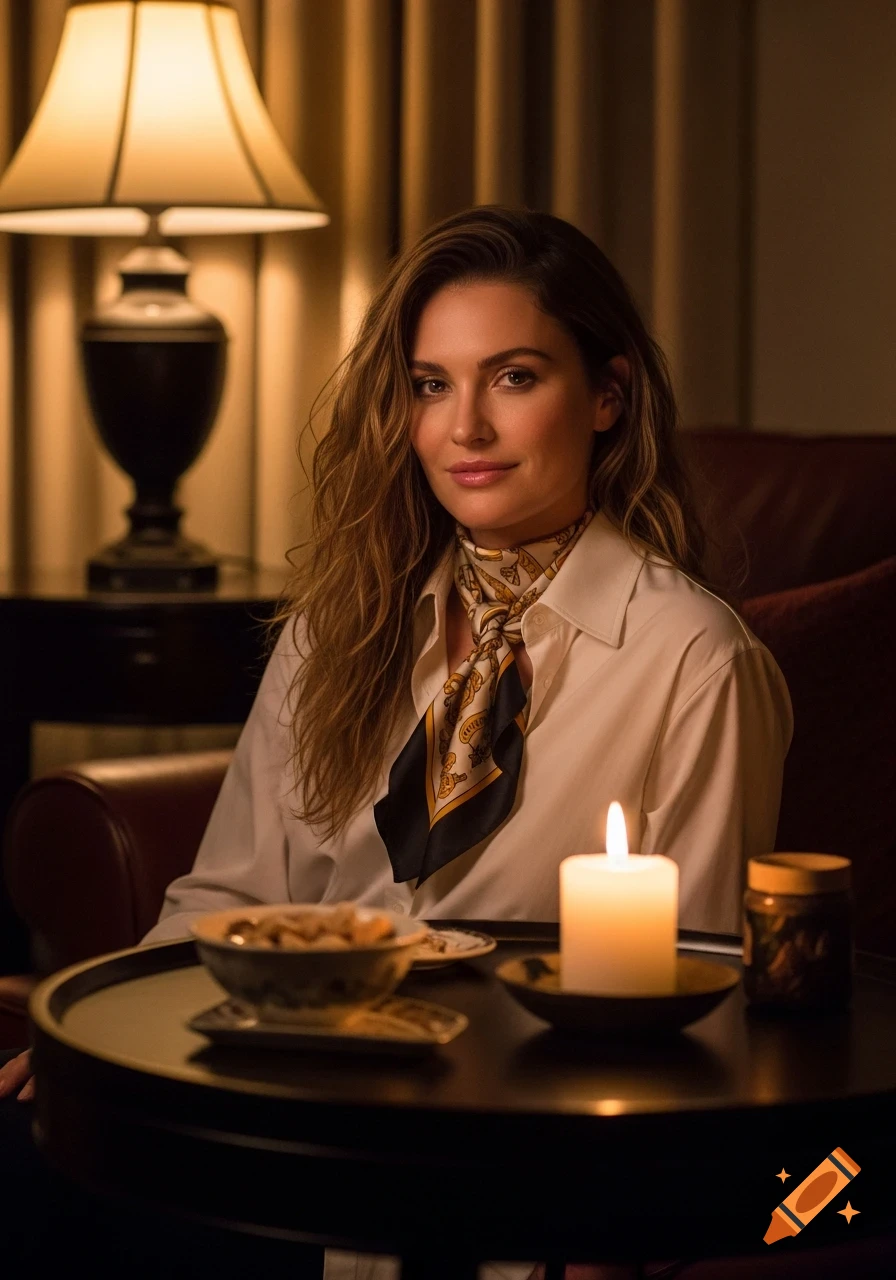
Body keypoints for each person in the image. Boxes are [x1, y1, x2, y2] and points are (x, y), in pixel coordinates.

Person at [1, 206, 792, 1280]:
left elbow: (696, 1000)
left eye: (512, 377)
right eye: (431, 383)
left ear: (605, 395)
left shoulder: (693, 661)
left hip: (495, 1165)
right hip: (277, 1112)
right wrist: (98, 1055)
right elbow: (224, 893)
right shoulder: (343, 622)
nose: (463, 426)